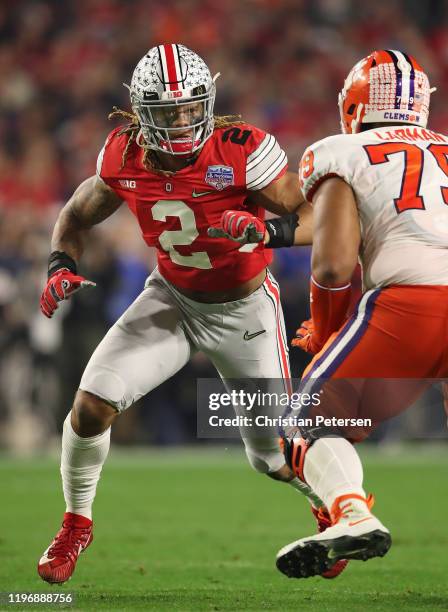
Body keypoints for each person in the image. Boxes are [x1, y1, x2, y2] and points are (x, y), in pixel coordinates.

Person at [37, 43, 343, 585]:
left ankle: (329, 507)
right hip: (172, 299)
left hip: (245, 308)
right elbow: (77, 214)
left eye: (188, 107)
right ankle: (75, 522)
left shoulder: (240, 150)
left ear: (208, 102)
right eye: (166, 111)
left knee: (270, 458)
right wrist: (60, 263)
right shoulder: (123, 154)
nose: (180, 121)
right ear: (139, 112)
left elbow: (314, 218)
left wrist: (265, 231)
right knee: (89, 409)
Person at [266, 49, 448, 579]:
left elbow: (332, 265)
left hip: (412, 306)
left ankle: (348, 512)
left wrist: (327, 332)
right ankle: (341, 519)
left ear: (354, 105)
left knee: (309, 422)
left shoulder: (342, 151)